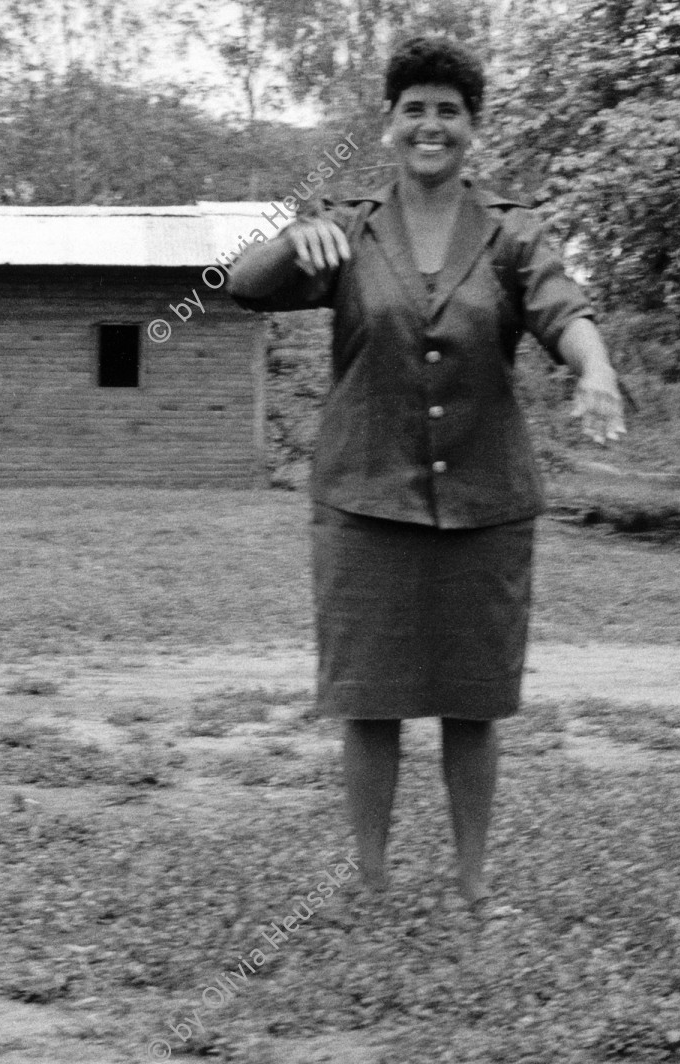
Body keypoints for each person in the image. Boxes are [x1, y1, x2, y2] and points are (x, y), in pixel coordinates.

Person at [228, 35, 627, 910]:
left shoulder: (514, 234)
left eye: (450, 111)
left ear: (473, 130)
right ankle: (369, 885)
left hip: (486, 504)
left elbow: (566, 309)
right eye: (415, 109)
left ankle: (473, 887)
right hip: (364, 499)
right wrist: (297, 236)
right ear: (389, 126)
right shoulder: (349, 230)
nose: (431, 125)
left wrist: (595, 370)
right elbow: (242, 286)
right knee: (368, 703)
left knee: (471, 704)